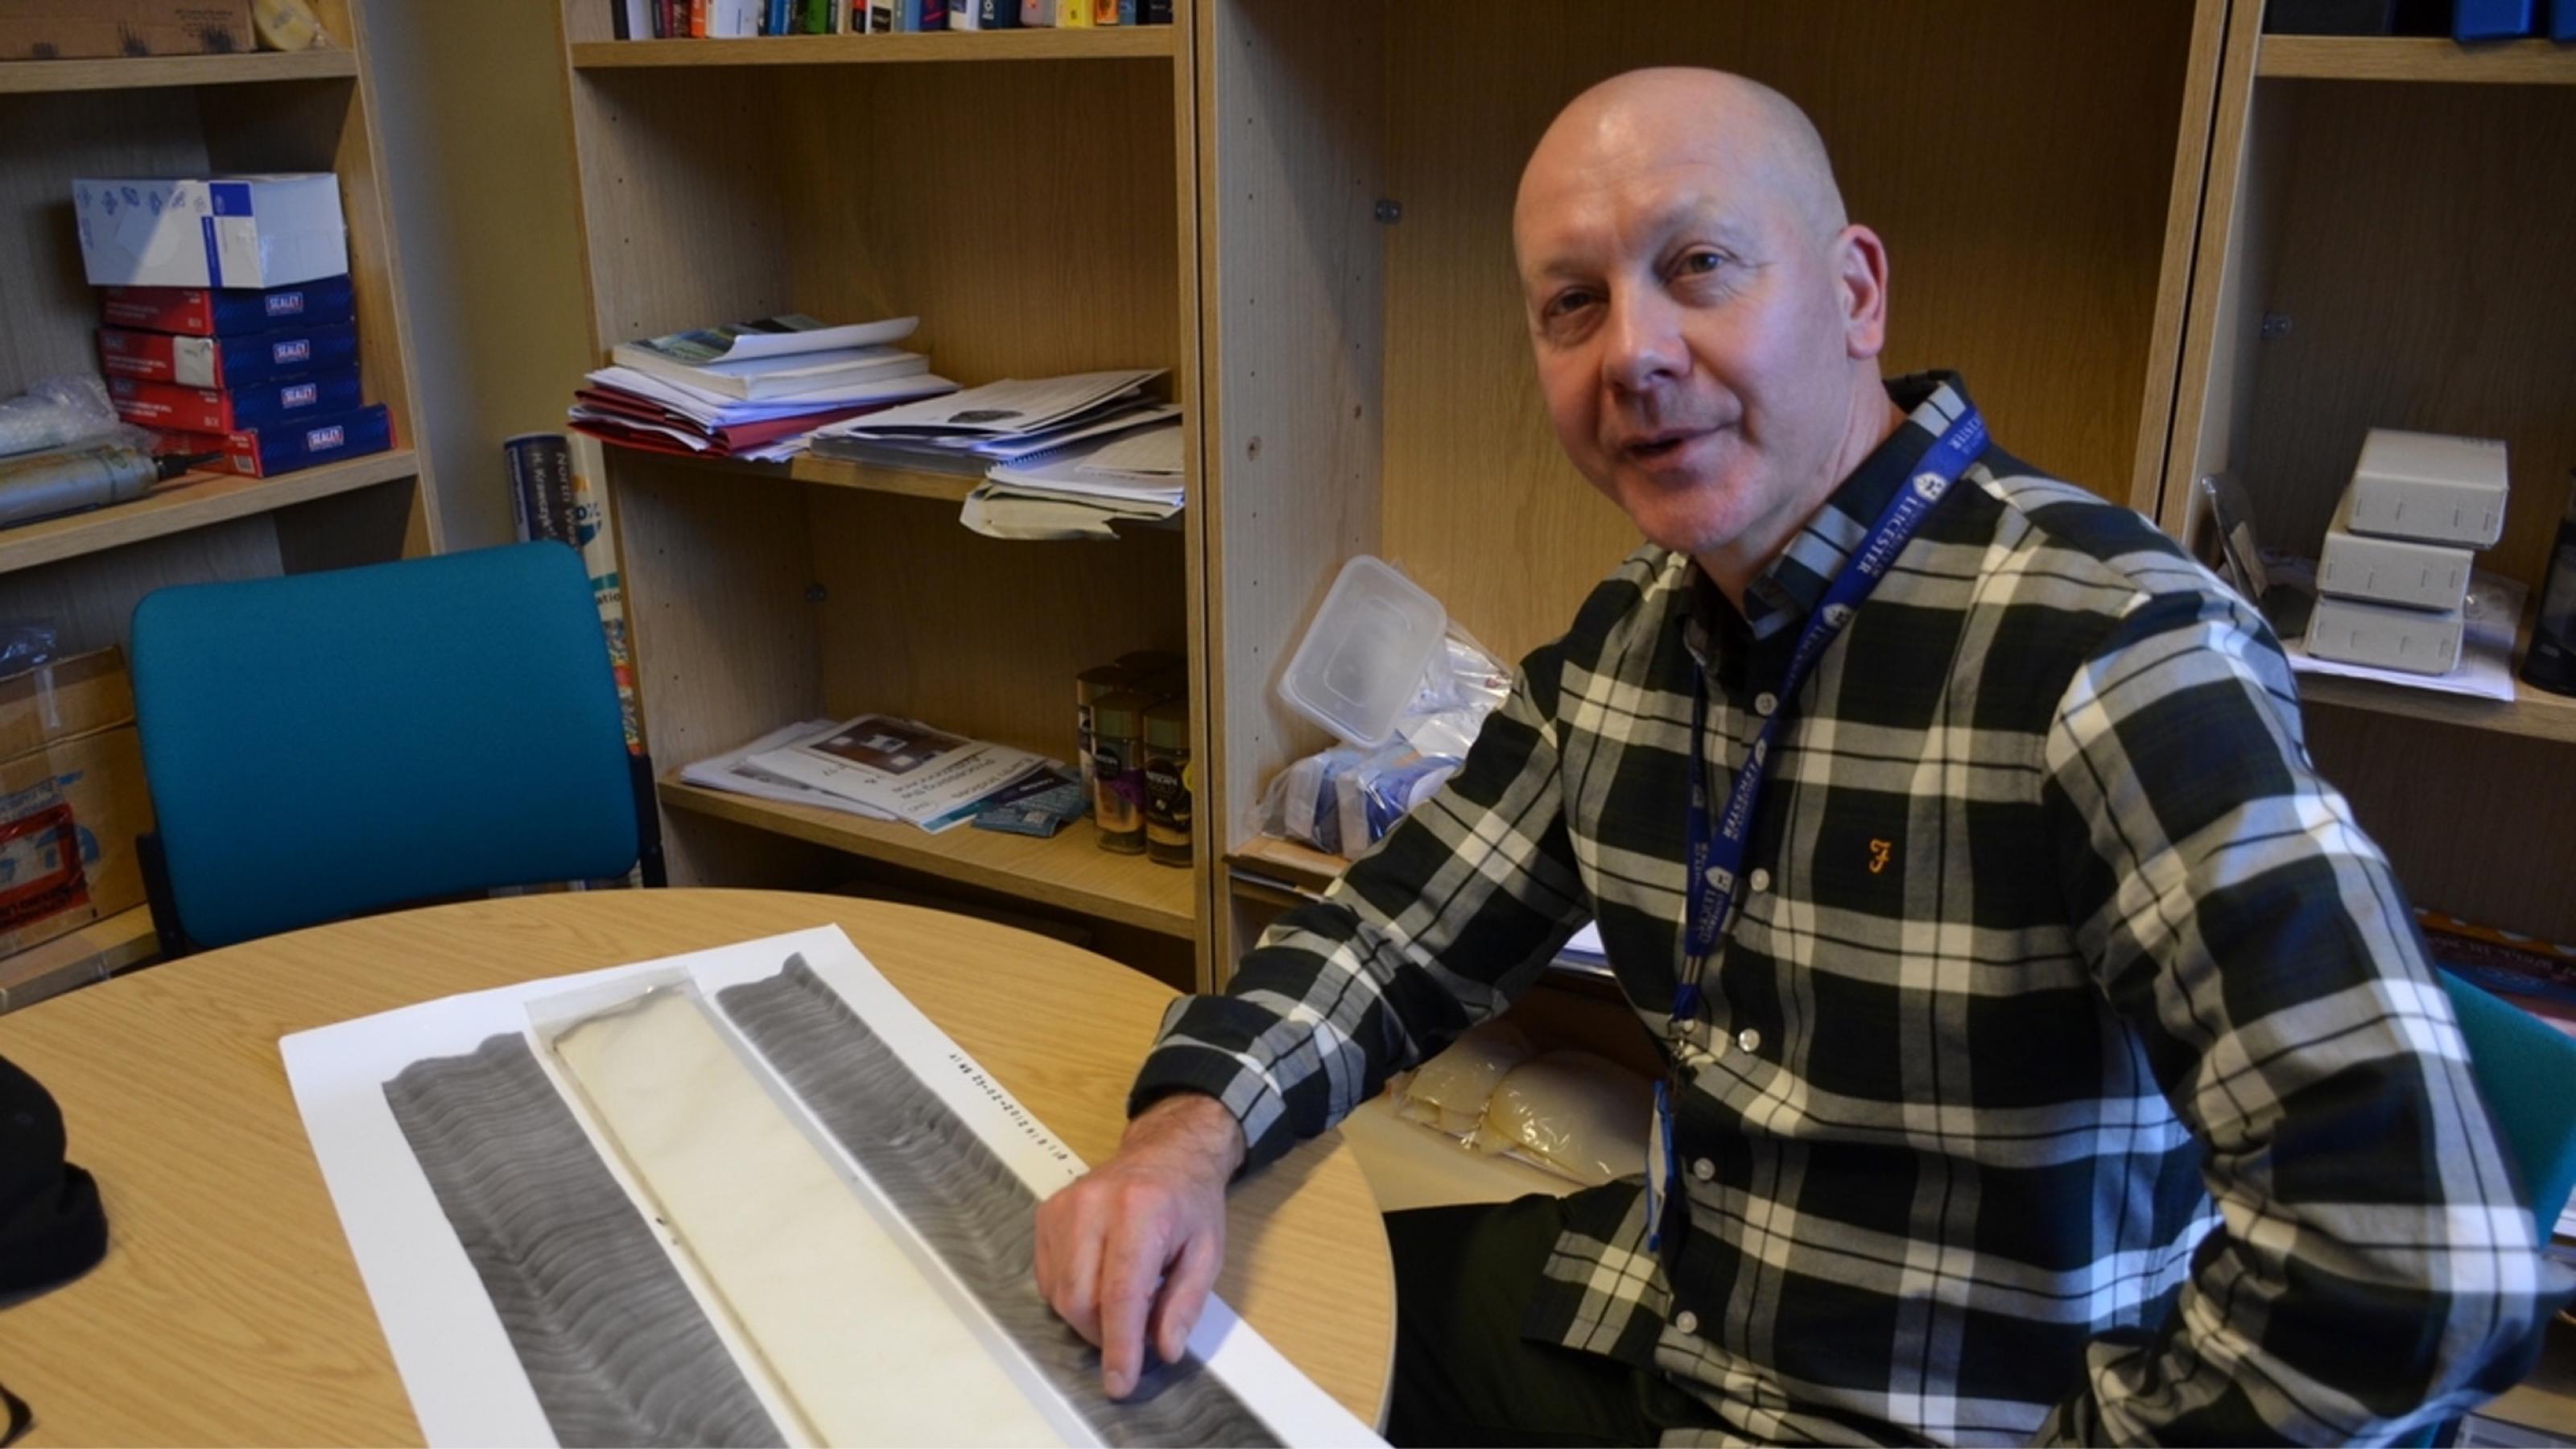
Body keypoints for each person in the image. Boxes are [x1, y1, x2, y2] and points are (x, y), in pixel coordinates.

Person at [1033, 67, 2566, 1445]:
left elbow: (2411, 1252)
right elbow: (1391, 939)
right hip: (1677, 1316)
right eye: (1572, 303)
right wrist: (1186, 1136)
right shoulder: (1637, 636)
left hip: (1955, 1413)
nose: (1633, 351)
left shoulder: (2115, 657)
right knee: (1220, 1342)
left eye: (1696, 265)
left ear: (1854, 291)